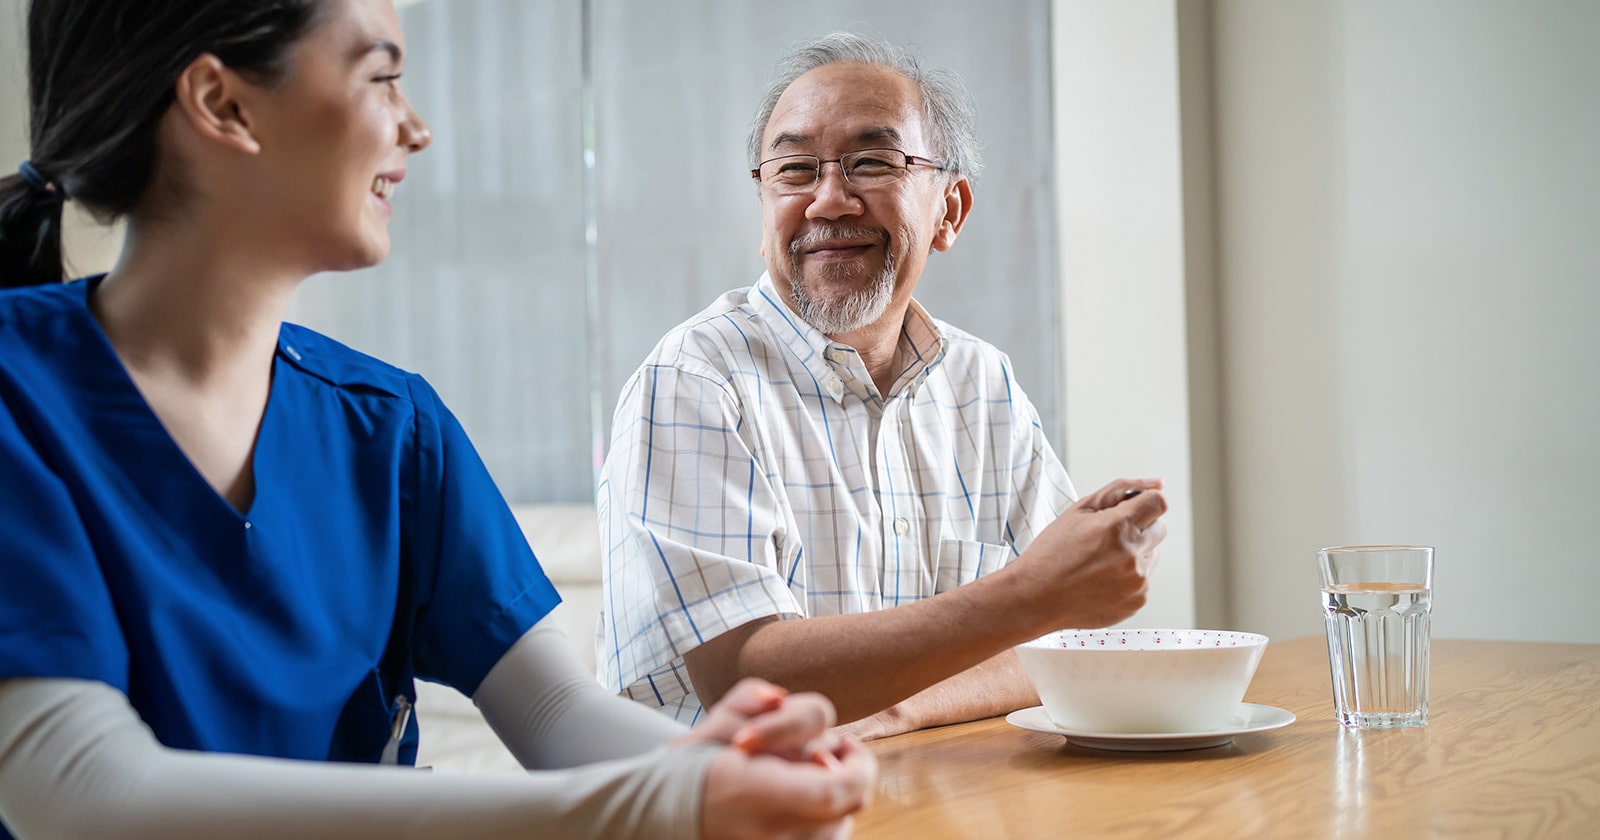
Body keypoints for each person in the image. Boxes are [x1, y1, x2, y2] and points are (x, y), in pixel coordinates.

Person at [0, 1, 874, 838]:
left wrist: (720, 768)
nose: (414, 128)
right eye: (382, 78)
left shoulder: (390, 428)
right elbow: (78, 791)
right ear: (223, 103)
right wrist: (645, 810)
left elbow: (557, 714)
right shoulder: (19, 396)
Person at [597, 32, 1170, 740]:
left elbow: (1060, 647)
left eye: (872, 162)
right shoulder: (693, 382)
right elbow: (746, 680)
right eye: (795, 169)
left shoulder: (980, 383)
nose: (828, 200)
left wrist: (901, 708)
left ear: (949, 212)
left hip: (931, 798)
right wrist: (1030, 597)